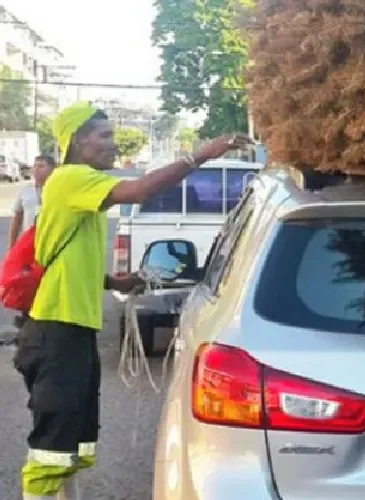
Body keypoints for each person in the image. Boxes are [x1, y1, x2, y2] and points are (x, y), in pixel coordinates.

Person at [12, 101, 252, 500]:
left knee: (70, 446)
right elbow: (141, 190)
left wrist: (116, 279)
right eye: (104, 136)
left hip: (71, 329)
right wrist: (201, 154)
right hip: (56, 331)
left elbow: (66, 258)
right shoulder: (72, 177)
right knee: (50, 449)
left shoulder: (81, 186)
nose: (112, 144)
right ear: (77, 141)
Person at [8, 155, 57, 249]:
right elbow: (16, 219)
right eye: (34, 166)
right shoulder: (25, 190)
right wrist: (12, 246)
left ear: (52, 169)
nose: (36, 169)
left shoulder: (59, 190)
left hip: (52, 243)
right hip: (29, 243)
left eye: (41, 166)